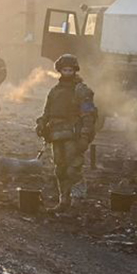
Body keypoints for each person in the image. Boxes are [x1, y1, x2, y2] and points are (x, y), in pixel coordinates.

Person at [34, 54, 96, 212]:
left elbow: (88, 115)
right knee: (60, 170)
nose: (67, 72)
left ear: (75, 70)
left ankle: (78, 199)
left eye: (70, 70)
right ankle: (64, 201)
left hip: (73, 135)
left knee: (73, 170)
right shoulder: (55, 91)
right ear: (60, 70)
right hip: (56, 134)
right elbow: (47, 112)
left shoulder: (82, 91)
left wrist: (84, 137)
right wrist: (41, 123)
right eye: (64, 70)